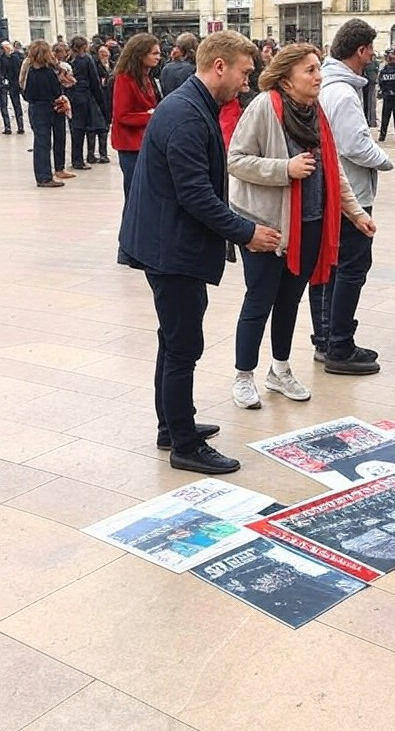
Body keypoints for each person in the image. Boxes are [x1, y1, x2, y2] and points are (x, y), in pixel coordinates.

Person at [118, 31, 281, 474]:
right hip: (171, 248)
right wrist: (247, 232)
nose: (247, 83)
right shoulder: (188, 114)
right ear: (220, 66)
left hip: (166, 241)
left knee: (172, 341)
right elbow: (196, 195)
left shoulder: (190, 104)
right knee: (183, 345)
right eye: (245, 73)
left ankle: (172, 426)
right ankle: (185, 445)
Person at [227, 44, 375, 409]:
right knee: (259, 301)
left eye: (317, 69)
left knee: (290, 301)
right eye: (309, 70)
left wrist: (355, 212)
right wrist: (284, 170)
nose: (318, 76)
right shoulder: (265, 106)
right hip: (268, 227)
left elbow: (332, 169)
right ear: (287, 78)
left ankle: (279, 370)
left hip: (310, 224)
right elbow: (236, 159)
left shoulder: (316, 111)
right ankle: (243, 375)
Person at [309, 18, 393, 375]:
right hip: (350, 194)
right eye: (371, 49)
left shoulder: (326, 84)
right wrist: (386, 160)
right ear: (360, 50)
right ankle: (339, 344)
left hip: (332, 190)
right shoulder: (342, 92)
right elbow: (354, 144)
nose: (373, 56)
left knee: (328, 266)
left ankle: (326, 338)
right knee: (351, 268)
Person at [111, 33, 161, 200]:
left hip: (144, 142)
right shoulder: (125, 78)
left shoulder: (146, 77)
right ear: (140, 54)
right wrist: (151, 116)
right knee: (135, 194)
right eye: (154, 53)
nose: (158, 57)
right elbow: (122, 115)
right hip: (130, 145)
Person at [22, 41, 73, 188]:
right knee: (48, 141)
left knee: (41, 143)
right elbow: (56, 92)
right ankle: (46, 177)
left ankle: (42, 175)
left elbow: (26, 93)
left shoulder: (30, 71)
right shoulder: (50, 73)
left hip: (36, 108)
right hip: (50, 107)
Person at [68, 36, 106, 170]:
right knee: (82, 128)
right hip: (84, 96)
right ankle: (78, 160)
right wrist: (101, 100)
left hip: (71, 96)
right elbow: (94, 81)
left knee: (75, 129)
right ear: (84, 46)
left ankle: (76, 157)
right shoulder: (86, 59)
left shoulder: (69, 60)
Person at [0, 40, 25, 134]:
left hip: (15, 83)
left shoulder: (15, 56)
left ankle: (19, 126)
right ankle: (10, 127)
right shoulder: (4, 58)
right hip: (9, 83)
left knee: (16, 104)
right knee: (7, 105)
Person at [362, 53, 379, 127]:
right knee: (367, 102)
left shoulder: (375, 63)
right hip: (367, 84)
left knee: (372, 103)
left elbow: (377, 72)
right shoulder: (366, 64)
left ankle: (372, 120)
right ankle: (368, 119)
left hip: (373, 84)